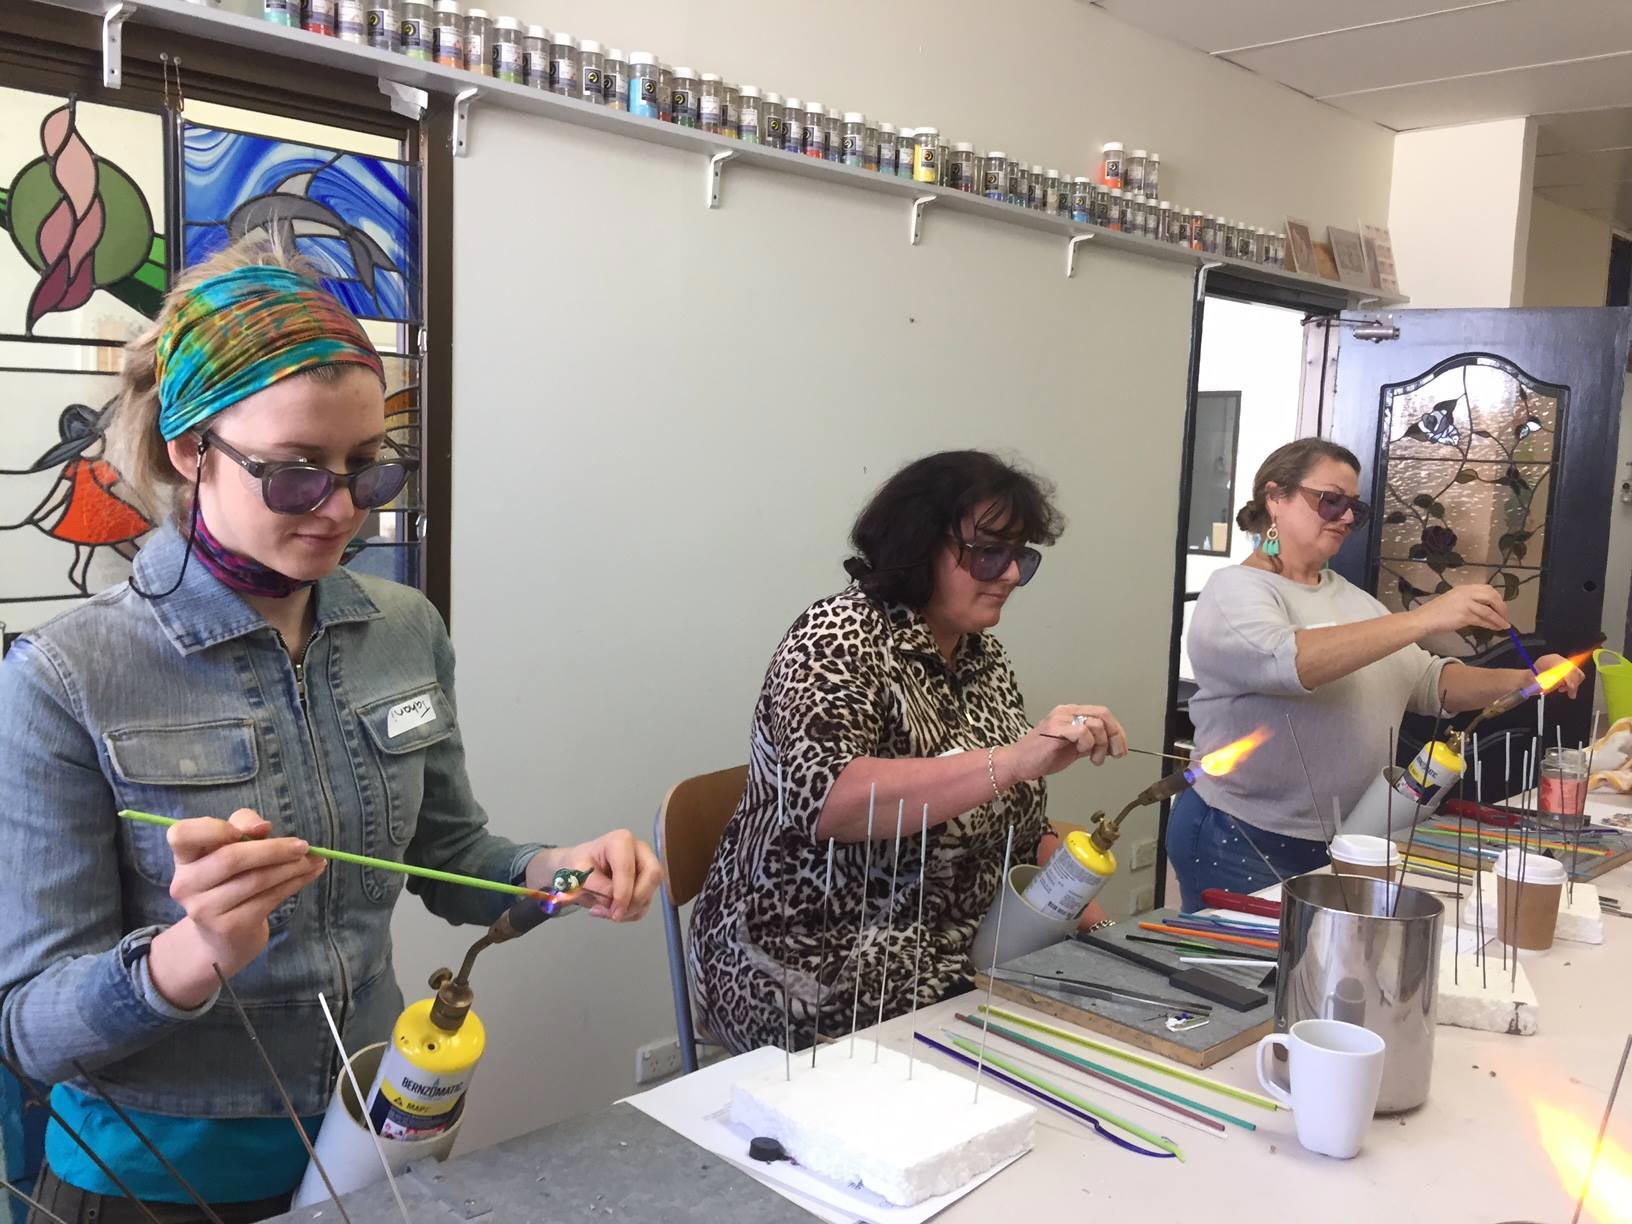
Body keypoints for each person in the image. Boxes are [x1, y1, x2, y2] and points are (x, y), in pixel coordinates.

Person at [0, 238, 663, 1222]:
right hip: (153, 1180)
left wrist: (568, 876)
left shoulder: (403, 631)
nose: (343, 509)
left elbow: (449, 859)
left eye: (369, 470)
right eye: (298, 475)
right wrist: (197, 952)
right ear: (193, 451)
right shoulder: (68, 678)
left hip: (373, 1141)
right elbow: (30, 1030)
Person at [688, 450, 1128, 1055]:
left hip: (950, 950)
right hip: (810, 959)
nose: (1008, 576)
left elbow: (1019, 823)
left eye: (1021, 557)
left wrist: (1104, 931)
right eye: (987, 554)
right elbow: (831, 804)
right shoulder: (834, 636)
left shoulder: (981, 656)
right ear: (919, 545)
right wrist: (1015, 760)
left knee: (1098, 1022)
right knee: (1020, 1070)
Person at [1170, 438, 1583, 911]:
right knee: (1237, 976)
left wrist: (1528, 680)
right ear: (1275, 497)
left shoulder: (1350, 597)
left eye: (1354, 508)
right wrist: (1426, 618)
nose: (1346, 517)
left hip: (1350, 834)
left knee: (1318, 969)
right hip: (1242, 834)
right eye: (1331, 500)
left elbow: (1431, 683)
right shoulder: (1235, 590)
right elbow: (1286, 661)